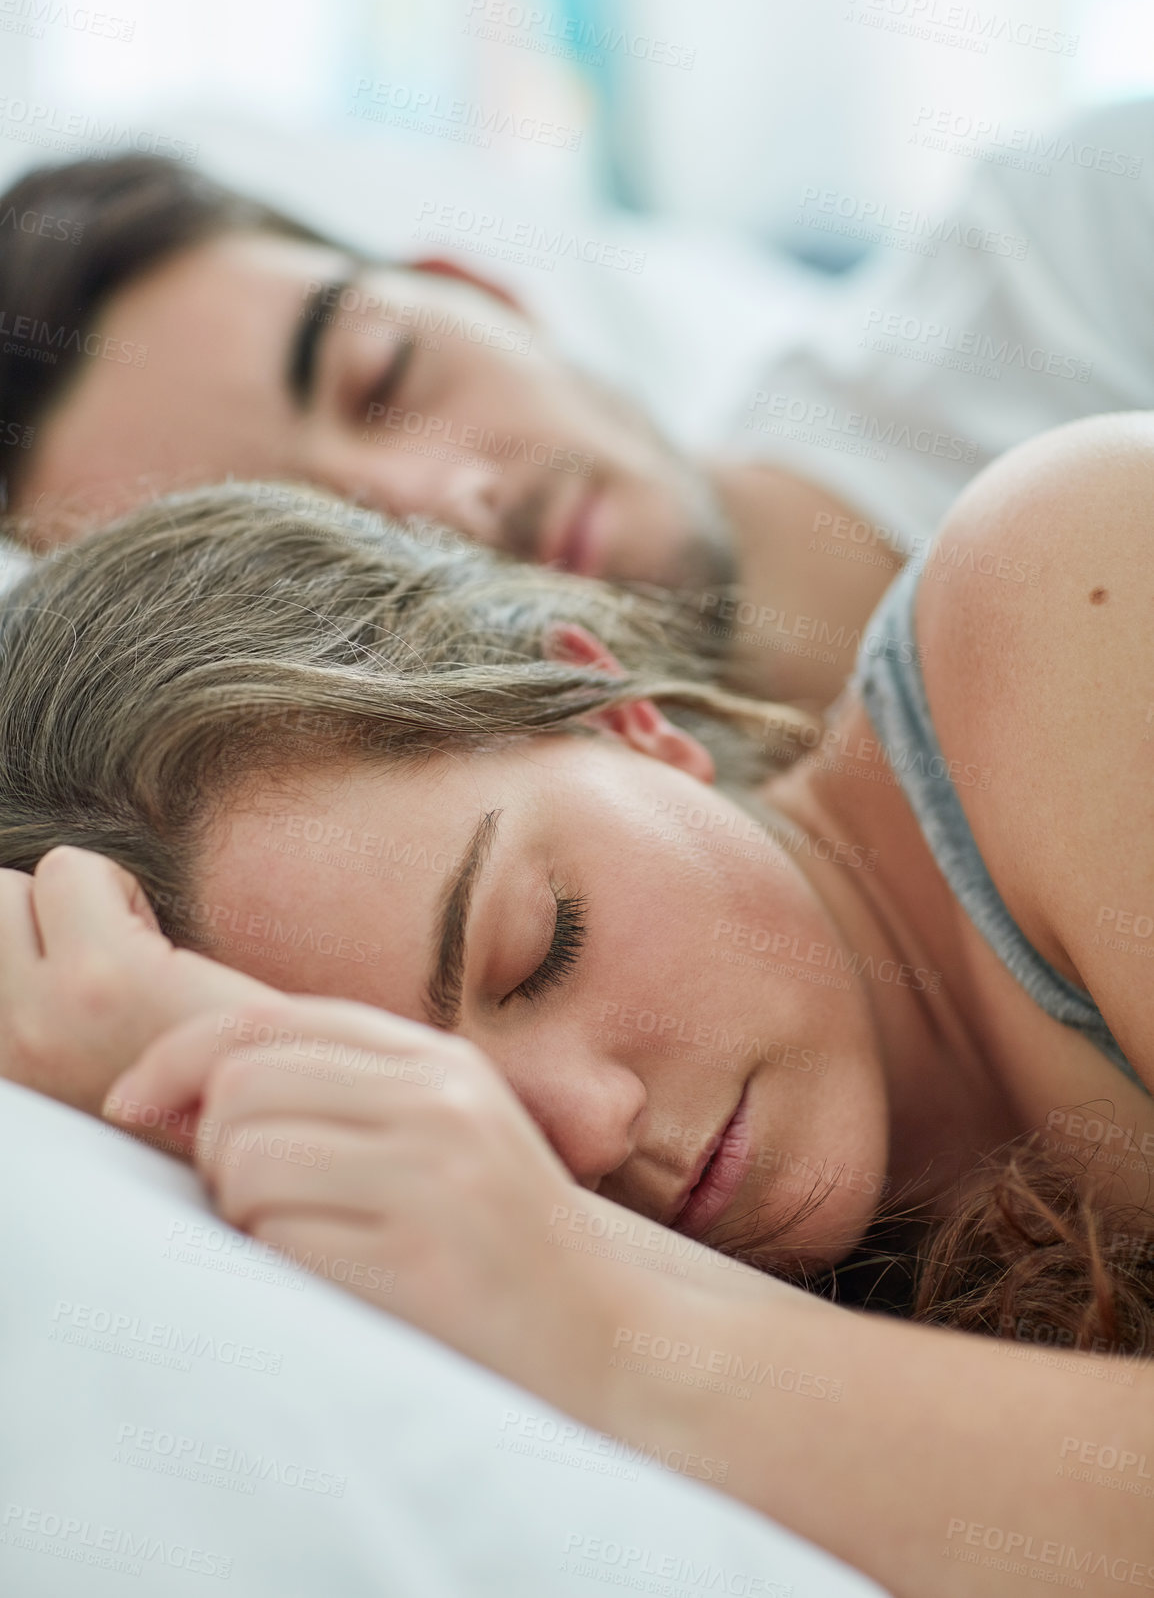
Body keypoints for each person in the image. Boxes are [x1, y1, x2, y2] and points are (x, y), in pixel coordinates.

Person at [0, 408, 1152, 1598]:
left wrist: (608, 1334)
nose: (591, 1130)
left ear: (619, 712)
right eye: (468, 1127)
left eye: (542, 948)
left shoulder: (1076, 597)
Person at [0, 154, 898, 709]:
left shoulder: (1033, 286)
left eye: (385, 375)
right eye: (287, 568)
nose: (441, 505)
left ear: (474, 287)